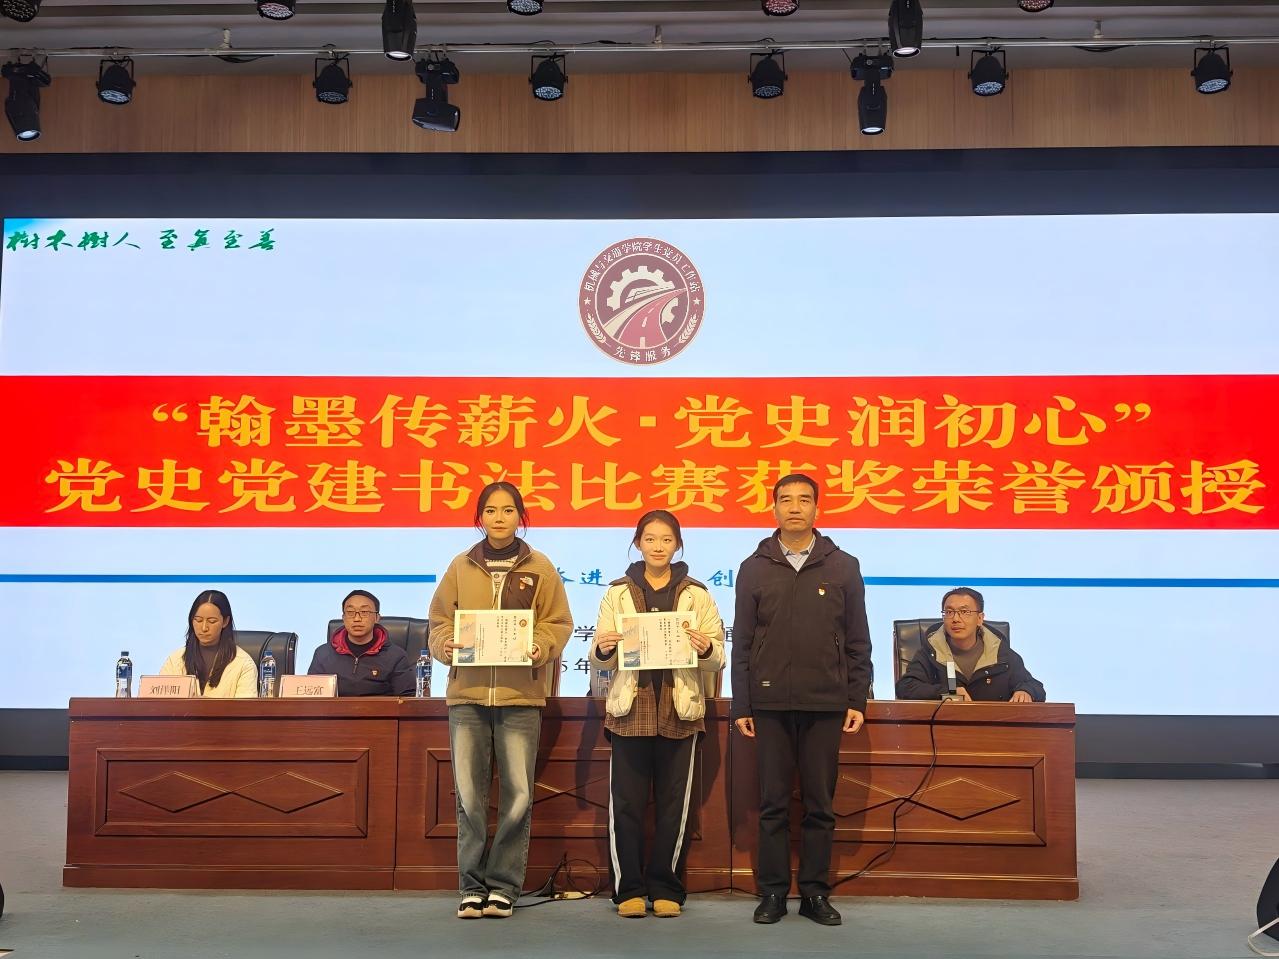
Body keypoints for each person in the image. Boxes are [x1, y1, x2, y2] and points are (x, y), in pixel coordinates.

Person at [730, 473, 872, 927]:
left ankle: (814, 893)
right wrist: (741, 704)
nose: (795, 507)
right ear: (773, 508)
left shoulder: (843, 565)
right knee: (772, 803)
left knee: (819, 805)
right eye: (786, 500)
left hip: (826, 702)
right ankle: (772, 892)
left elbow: (858, 638)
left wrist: (857, 698)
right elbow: (743, 642)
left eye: (804, 500)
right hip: (769, 703)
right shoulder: (754, 567)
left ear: (816, 508)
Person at [428, 481, 573, 920]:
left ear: (520, 517)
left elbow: (558, 622)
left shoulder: (540, 566)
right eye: (490, 510)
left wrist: (540, 645)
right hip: (467, 698)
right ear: (480, 517)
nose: (499, 518)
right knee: (469, 798)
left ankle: (504, 887)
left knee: (518, 796)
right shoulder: (460, 566)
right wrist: (445, 644)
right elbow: (439, 621)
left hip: (520, 697)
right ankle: (471, 887)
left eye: (508, 510)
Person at [592, 509, 725, 919]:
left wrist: (706, 648)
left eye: (666, 540)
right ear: (638, 543)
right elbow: (598, 654)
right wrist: (604, 648)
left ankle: (667, 887)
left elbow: (718, 656)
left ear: (678, 545)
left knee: (674, 808)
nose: (658, 547)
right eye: (650, 539)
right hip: (630, 708)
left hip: (678, 708)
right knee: (626, 806)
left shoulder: (696, 594)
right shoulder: (617, 592)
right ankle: (628, 889)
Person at [896, 587, 1045, 703]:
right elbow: (905, 687)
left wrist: (1026, 692)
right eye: (949, 612)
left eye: (964, 611)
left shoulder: (1000, 654)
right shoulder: (931, 651)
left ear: (980, 618)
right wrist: (947, 692)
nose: (955, 619)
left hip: (992, 728)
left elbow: (1035, 686)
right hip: (944, 728)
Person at [307, 589, 415, 697]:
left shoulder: (396, 656)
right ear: (343, 618)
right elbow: (311, 697)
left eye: (364, 612)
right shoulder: (323, 654)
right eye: (350, 612)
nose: (357, 618)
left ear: (377, 618)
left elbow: (407, 700)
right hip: (334, 709)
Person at [159, 590, 258, 698]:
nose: (204, 628)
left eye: (212, 621)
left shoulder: (244, 664)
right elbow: (160, 703)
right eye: (198, 620)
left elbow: (246, 707)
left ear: (225, 621)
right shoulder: (175, 660)